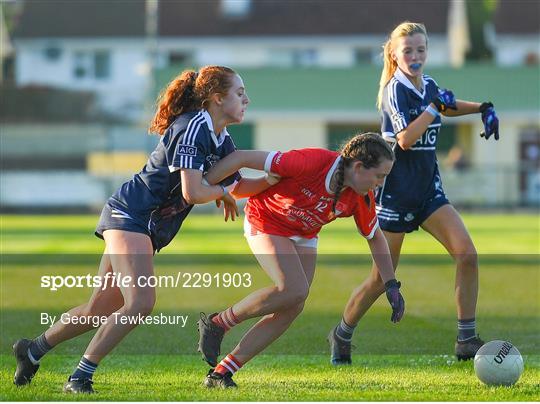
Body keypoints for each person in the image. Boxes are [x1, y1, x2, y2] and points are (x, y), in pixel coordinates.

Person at [12, 65, 273, 394]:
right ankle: (80, 377)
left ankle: (31, 350)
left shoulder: (222, 138)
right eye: (239, 93)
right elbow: (195, 192)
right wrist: (220, 191)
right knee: (140, 302)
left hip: (144, 225)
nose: (246, 99)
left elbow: (239, 186)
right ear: (218, 99)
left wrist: (278, 176)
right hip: (131, 215)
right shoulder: (192, 127)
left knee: (100, 308)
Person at [327, 22, 500, 365]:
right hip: (395, 194)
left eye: (421, 50)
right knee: (380, 279)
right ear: (394, 53)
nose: (416, 56)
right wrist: (435, 107)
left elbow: (446, 105)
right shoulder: (395, 89)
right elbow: (405, 138)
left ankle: (466, 338)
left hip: (428, 192)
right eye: (408, 51)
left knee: (467, 254)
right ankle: (342, 333)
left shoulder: (428, 86)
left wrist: (483, 108)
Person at [197, 132, 405, 388]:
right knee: (294, 289)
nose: (380, 184)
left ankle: (221, 373)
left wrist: (391, 285)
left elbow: (374, 237)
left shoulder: (360, 197)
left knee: (294, 303)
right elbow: (240, 157)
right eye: (379, 176)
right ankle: (218, 323)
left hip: (304, 233)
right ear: (359, 167)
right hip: (267, 219)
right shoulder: (311, 162)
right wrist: (206, 186)